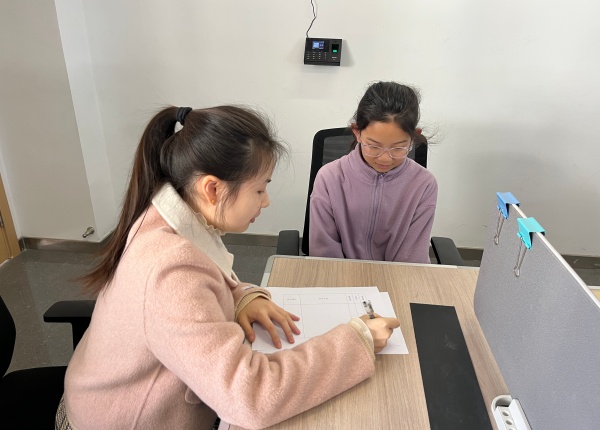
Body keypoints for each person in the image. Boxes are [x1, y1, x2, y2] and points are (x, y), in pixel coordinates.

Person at [57, 105, 400, 430]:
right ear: (212, 188)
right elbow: (251, 397)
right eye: (260, 189)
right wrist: (357, 341)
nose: (266, 201)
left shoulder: (171, 214)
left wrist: (242, 297)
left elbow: (205, 284)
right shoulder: (169, 270)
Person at [309, 82, 438, 264]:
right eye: (373, 146)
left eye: (398, 148)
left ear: (414, 137)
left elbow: (412, 258)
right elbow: (325, 254)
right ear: (357, 133)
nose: (385, 159)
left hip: (399, 275)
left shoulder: (424, 184)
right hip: (340, 274)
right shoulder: (329, 178)